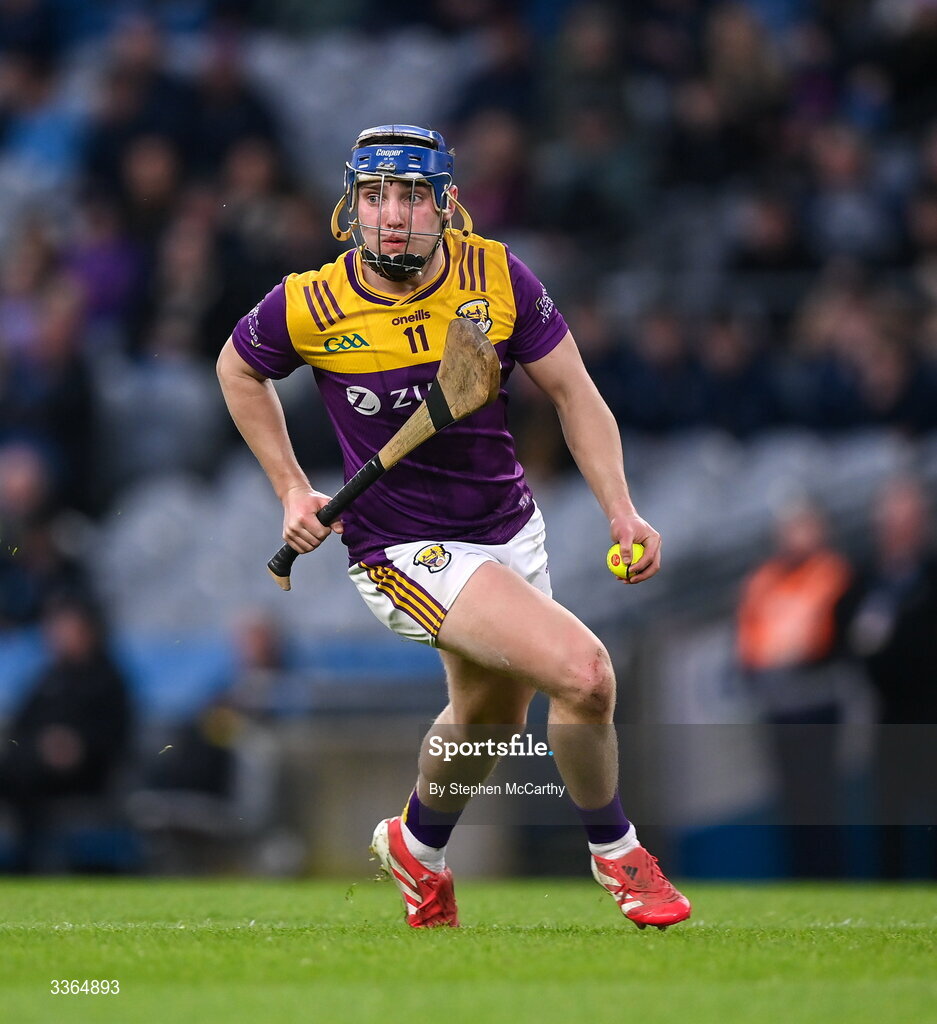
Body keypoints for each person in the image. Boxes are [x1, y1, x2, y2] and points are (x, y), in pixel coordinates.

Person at [216, 124, 690, 929]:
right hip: (399, 547)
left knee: (489, 723)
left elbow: (576, 396)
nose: (391, 216)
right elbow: (237, 368)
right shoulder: (310, 301)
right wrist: (292, 489)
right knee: (584, 674)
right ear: (349, 208)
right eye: (373, 197)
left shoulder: (496, 275)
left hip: (506, 529)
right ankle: (618, 854)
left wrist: (620, 508)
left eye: (410, 195)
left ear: (446, 205)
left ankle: (417, 848)